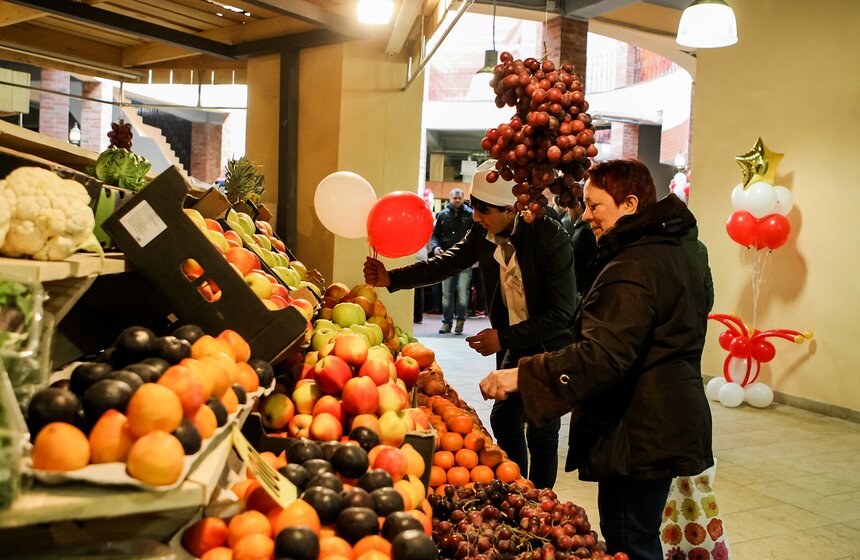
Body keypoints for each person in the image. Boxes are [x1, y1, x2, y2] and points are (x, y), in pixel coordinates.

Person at [479, 159, 714, 560]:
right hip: (664, 420)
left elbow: (603, 354)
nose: (585, 215)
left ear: (630, 204)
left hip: (638, 429)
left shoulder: (635, 266)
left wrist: (522, 375)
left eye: (595, 204)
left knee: (629, 539)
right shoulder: (680, 252)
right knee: (640, 530)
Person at [364, 159, 578, 489]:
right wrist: (392, 277)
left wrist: (501, 337)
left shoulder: (551, 238)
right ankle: (516, 487)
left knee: (542, 425)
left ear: (511, 209)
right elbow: (448, 262)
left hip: (551, 342)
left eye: (483, 209)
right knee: (504, 418)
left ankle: (542, 498)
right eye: (474, 207)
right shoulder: (484, 231)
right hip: (516, 339)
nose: (476, 216)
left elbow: (559, 314)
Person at [430, 188, 473, 334]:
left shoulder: (471, 215)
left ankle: (460, 321)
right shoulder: (443, 215)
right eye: (455, 198)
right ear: (450, 198)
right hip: (446, 260)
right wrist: (435, 247)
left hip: (464, 260)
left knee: (462, 292)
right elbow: (435, 235)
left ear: (463, 198)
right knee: (446, 293)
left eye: (459, 198)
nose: (457, 200)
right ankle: (447, 323)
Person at [559, 195, 598, 297]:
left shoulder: (585, 230)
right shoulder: (582, 228)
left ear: (578, 206)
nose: (567, 211)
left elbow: (591, 264)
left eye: (568, 207)